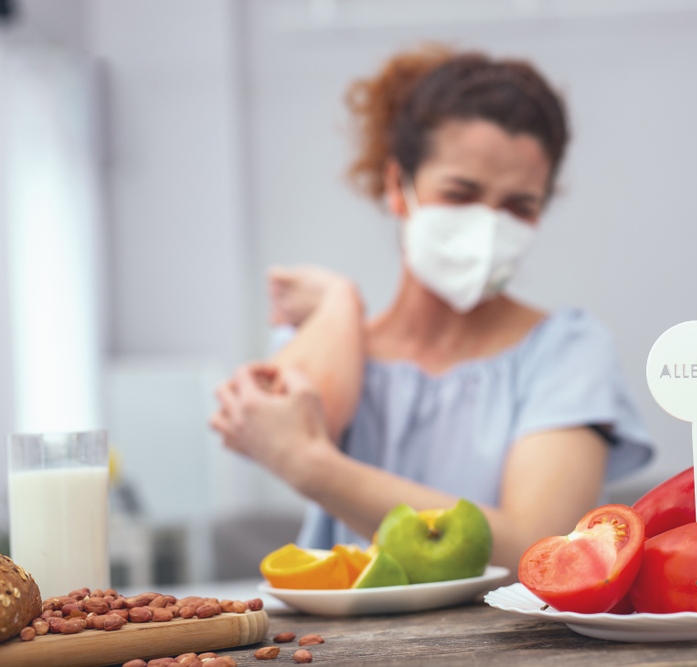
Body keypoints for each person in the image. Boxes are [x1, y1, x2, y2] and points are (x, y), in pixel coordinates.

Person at [210, 47, 653, 572]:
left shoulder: (568, 351)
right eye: (461, 194)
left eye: (519, 206)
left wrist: (312, 468)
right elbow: (275, 423)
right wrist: (339, 301)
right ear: (398, 186)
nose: (489, 226)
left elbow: (537, 543)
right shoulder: (337, 336)